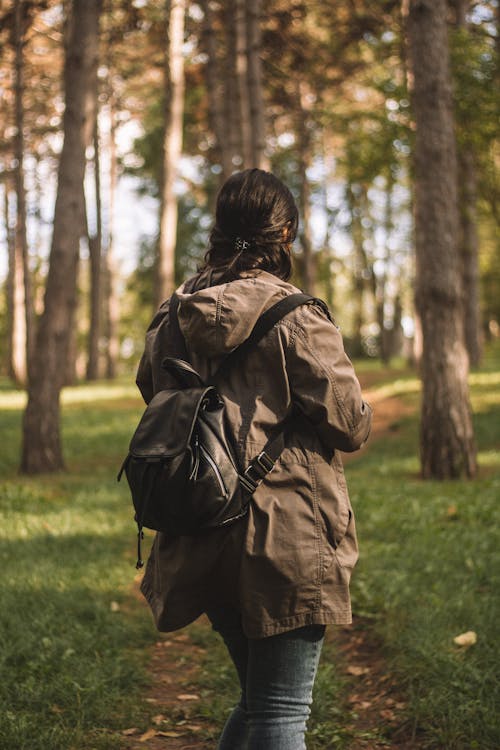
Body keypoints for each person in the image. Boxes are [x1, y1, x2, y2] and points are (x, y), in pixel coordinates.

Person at [136, 168, 372, 749]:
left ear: (220, 229)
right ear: (284, 233)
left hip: (198, 529)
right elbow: (349, 425)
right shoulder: (297, 317)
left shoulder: (174, 316)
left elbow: (155, 396)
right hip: (283, 540)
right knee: (281, 712)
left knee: (259, 704)